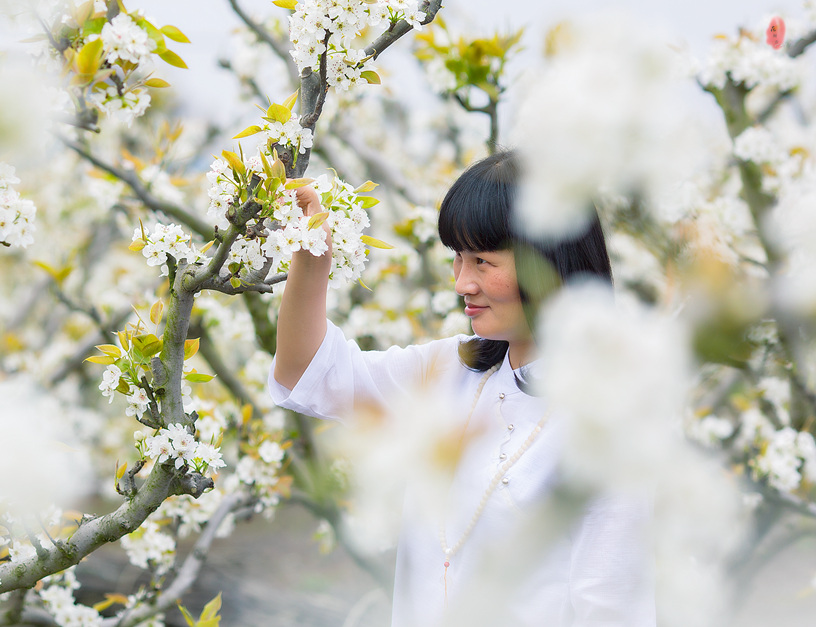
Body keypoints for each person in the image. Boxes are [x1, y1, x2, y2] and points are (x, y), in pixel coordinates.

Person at [268, 150, 655, 626]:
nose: (461, 282)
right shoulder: (449, 370)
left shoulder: (609, 421)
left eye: (482, 261)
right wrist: (313, 256)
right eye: (457, 257)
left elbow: (610, 604)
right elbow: (308, 372)